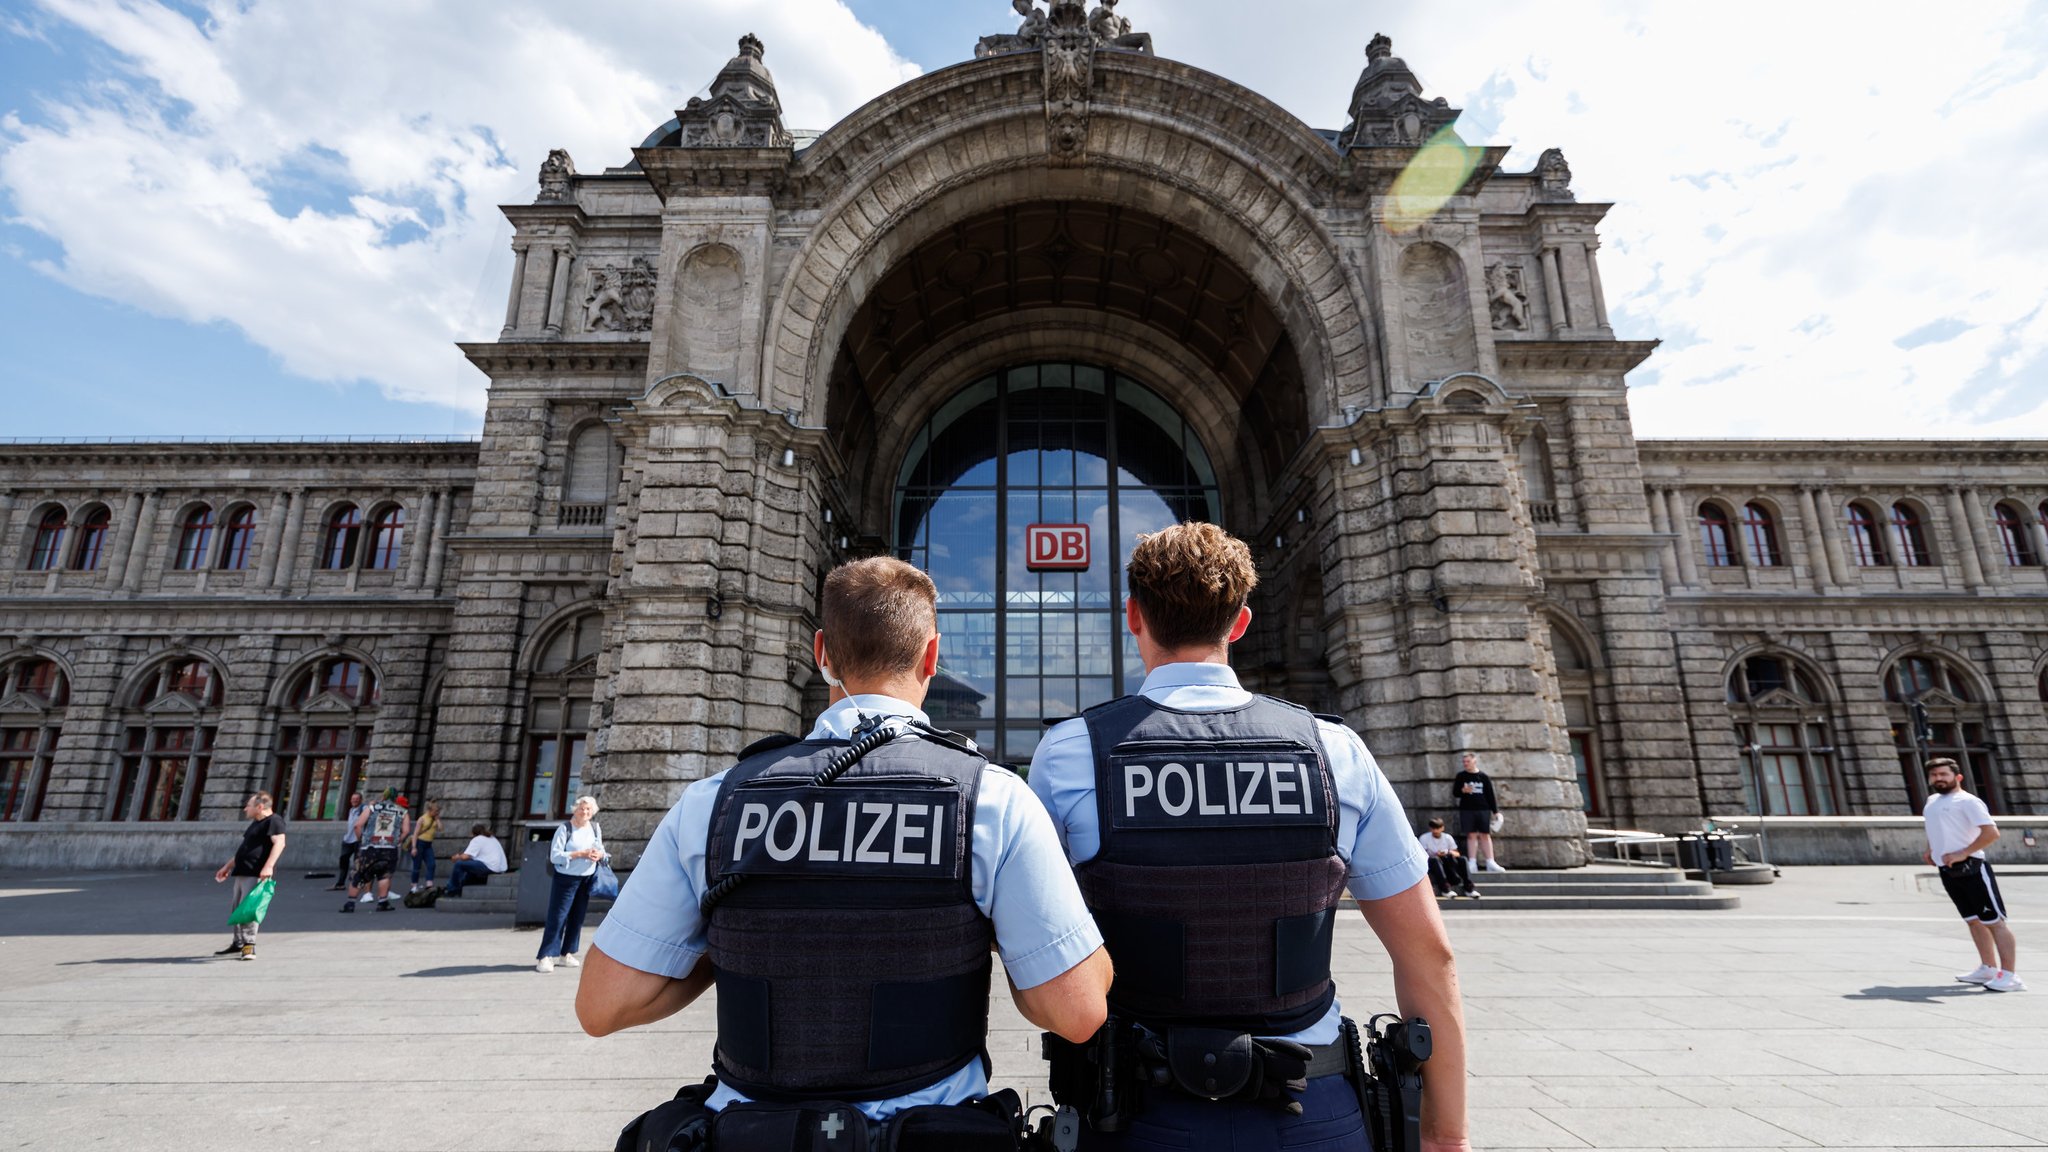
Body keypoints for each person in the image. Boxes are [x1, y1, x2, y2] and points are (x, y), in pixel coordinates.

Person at [576, 556, 1112, 1143]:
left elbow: (603, 1006)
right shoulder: (991, 799)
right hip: (931, 1134)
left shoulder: (714, 803)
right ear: (932, 656)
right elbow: (1077, 1013)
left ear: (822, 652)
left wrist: (730, 936)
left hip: (751, 1133)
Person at [1029, 521, 1469, 1152]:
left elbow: (1042, 951)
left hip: (1134, 1114)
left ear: (1133, 616)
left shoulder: (1071, 752)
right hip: (1313, 1110)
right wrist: (1447, 1138)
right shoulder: (1332, 751)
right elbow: (1430, 956)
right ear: (1239, 623)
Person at [1924, 758, 2023, 992]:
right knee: (1973, 920)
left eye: (1943, 774)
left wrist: (1963, 852)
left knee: (1995, 922)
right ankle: (1988, 968)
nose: (1938, 778)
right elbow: (1936, 828)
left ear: (1957, 777)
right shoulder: (1932, 801)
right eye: (1934, 775)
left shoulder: (1968, 801)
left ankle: (2010, 975)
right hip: (1947, 868)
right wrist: (1930, 849)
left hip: (1973, 867)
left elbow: (1991, 833)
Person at [537, 796, 607, 973]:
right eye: (582, 809)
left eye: (588, 810)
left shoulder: (595, 828)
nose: (585, 812)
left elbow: (602, 850)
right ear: (575, 810)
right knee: (558, 916)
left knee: (577, 918)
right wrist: (579, 854)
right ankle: (546, 956)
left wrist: (599, 855)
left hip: (586, 877)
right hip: (566, 878)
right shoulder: (565, 829)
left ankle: (566, 953)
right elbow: (555, 856)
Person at [213, 791, 286, 961]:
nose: (245, 808)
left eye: (249, 805)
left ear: (260, 807)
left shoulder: (274, 821)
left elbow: (280, 843)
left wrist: (268, 866)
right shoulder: (256, 823)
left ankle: (249, 945)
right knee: (238, 908)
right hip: (243, 871)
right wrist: (227, 866)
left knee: (249, 909)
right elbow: (245, 848)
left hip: (257, 872)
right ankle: (238, 942)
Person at [343, 787, 408, 912]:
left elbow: (357, 825)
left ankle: (350, 903)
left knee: (359, 874)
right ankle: (382, 902)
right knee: (384, 875)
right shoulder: (402, 811)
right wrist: (398, 840)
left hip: (370, 847)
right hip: (389, 848)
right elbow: (405, 831)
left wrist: (361, 840)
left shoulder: (372, 808)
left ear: (383, 795)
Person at [1451, 752, 1503, 872]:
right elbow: (1455, 793)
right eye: (1464, 762)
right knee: (1471, 835)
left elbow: (1490, 795)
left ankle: (1490, 861)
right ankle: (1472, 861)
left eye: (1468, 761)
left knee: (1485, 834)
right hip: (1467, 809)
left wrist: (1495, 811)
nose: (1465, 764)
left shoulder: (1483, 776)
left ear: (1474, 761)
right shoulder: (1461, 776)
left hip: (1483, 808)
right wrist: (1463, 790)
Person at [1420, 817, 1479, 899]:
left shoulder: (1447, 837)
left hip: (1448, 862)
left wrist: (1447, 852)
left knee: (1463, 859)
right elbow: (1422, 855)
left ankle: (1469, 888)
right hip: (1433, 863)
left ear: (1442, 828)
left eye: (1438, 828)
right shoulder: (1424, 838)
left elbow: (1457, 853)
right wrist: (1436, 854)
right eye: (1433, 828)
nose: (1436, 831)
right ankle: (1445, 889)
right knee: (1435, 860)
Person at [444, 824, 508, 896]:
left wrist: (456, 857)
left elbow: (465, 857)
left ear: (473, 833)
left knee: (459, 864)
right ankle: (462, 886)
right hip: (501, 868)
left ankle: (452, 889)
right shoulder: (492, 838)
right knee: (470, 864)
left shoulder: (477, 839)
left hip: (490, 867)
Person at [331, 790, 366, 890]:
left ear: (361, 800)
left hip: (358, 840)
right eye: (353, 799)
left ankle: (357, 884)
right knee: (343, 860)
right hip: (348, 839)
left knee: (358, 863)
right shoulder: (351, 810)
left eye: (357, 799)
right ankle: (340, 883)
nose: (354, 801)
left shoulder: (363, 809)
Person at [406, 799, 442, 892]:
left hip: (428, 844)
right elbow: (415, 834)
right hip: (419, 842)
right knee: (417, 866)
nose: (437, 813)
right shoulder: (422, 819)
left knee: (432, 864)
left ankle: (429, 884)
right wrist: (414, 847)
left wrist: (438, 820)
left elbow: (440, 829)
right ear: (430, 810)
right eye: (435, 811)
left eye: (438, 811)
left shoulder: (435, 819)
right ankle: (414, 885)